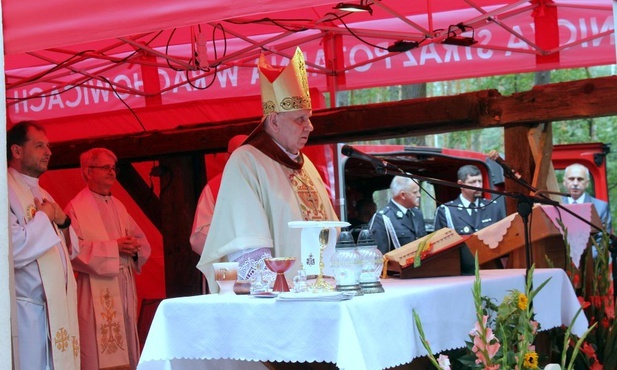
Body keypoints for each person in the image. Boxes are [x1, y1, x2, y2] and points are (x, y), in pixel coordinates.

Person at [197, 47, 338, 290]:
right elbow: (246, 240)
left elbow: (330, 228)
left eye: (309, 118)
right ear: (274, 121)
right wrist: (273, 286)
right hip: (279, 297)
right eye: (300, 119)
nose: (310, 127)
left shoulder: (307, 167)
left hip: (316, 290)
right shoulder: (247, 162)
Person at [65, 147, 151, 370]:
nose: (112, 172)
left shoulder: (118, 205)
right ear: (87, 172)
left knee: (126, 343)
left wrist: (133, 249)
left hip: (123, 283)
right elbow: (73, 251)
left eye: (113, 168)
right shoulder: (76, 208)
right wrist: (115, 248)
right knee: (97, 348)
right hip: (94, 289)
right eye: (105, 168)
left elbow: (141, 241)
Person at [8, 120, 81, 370]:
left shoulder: (44, 194)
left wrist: (62, 222)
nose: (48, 152)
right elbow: (12, 250)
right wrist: (45, 217)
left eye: (48, 146)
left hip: (56, 308)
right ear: (16, 151)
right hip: (28, 314)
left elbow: (70, 250)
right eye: (39, 146)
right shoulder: (5, 189)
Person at [190, 134, 248, 255]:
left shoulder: (268, 184)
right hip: (228, 265)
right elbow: (198, 239)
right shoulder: (214, 188)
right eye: (239, 156)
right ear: (227, 157)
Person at [433, 164, 505, 235]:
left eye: (480, 181)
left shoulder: (493, 207)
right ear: (461, 184)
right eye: (473, 182)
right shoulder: (446, 210)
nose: (478, 186)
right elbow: (440, 243)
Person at [369, 176, 427, 254]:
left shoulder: (417, 214)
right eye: (415, 192)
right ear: (403, 195)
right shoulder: (383, 218)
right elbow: (380, 256)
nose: (419, 195)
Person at [562, 163, 612, 234]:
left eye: (580, 179)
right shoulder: (556, 205)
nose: (575, 183)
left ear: (587, 183)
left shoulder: (601, 207)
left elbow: (604, 239)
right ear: (564, 182)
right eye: (571, 179)